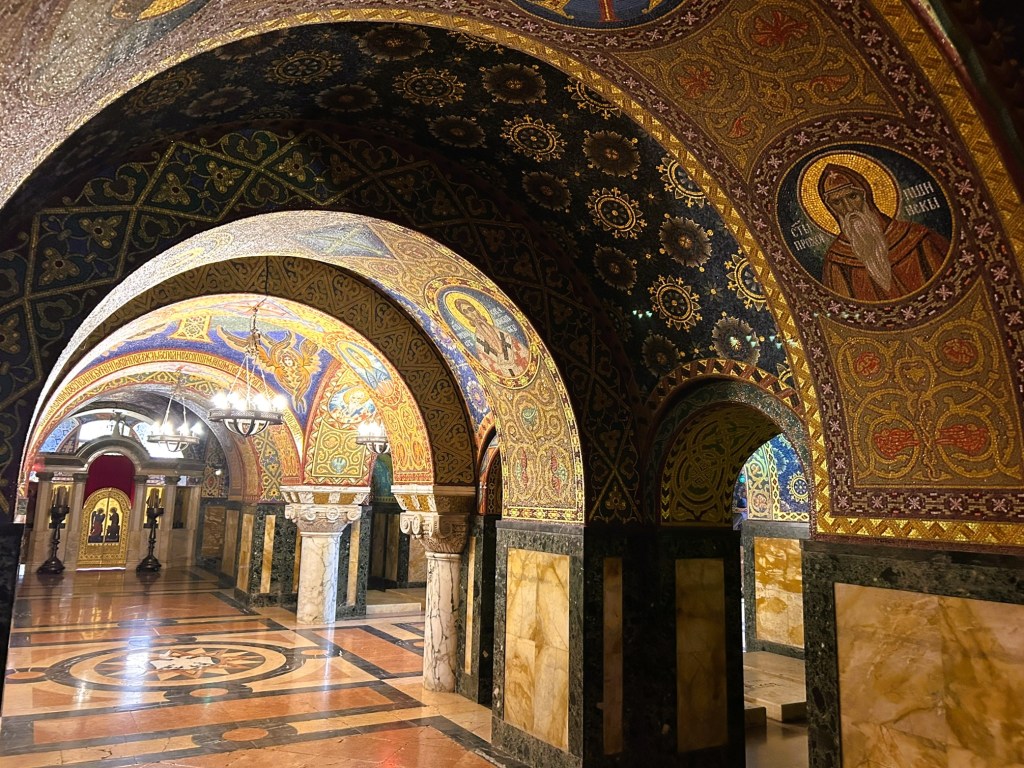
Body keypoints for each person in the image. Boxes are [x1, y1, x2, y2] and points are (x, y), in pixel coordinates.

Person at [816, 163, 948, 301]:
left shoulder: (918, 238)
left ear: (866, 197)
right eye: (837, 202)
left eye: (853, 196)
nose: (849, 208)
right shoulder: (836, 259)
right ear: (831, 209)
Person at [453, 296, 530, 378]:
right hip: (504, 371)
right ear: (465, 316)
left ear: (476, 310)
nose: (471, 313)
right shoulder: (479, 339)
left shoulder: (497, 330)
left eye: (471, 309)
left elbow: (516, 345)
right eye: (466, 312)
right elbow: (486, 362)